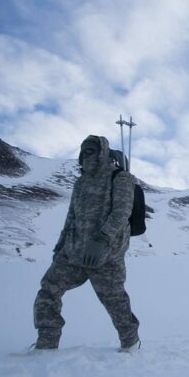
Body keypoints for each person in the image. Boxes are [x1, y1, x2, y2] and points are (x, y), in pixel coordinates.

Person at [32, 135, 140, 352]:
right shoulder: (80, 182)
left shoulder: (120, 177)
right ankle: (47, 344)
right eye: (83, 151)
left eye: (91, 150)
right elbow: (71, 216)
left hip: (105, 255)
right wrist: (60, 245)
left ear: (102, 153)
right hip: (73, 253)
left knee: (114, 300)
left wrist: (102, 240)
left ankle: (130, 343)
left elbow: (121, 212)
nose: (86, 155)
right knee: (48, 291)